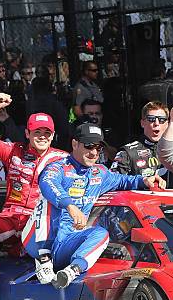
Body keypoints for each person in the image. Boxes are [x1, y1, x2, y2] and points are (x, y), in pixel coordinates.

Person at [22, 123, 165, 289]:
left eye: (98, 148)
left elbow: (123, 180)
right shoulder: (57, 167)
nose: (94, 153)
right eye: (89, 146)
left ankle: (71, 271)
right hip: (38, 239)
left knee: (101, 233)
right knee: (47, 200)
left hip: (67, 245)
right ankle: (43, 258)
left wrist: (144, 180)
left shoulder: (100, 172)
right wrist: (70, 206)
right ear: (75, 144)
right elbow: (47, 182)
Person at [0, 92, 67, 300]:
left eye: (47, 133)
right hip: (10, 216)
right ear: (27, 132)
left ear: (53, 135)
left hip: (38, 221)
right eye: (37, 132)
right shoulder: (13, 151)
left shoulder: (63, 159)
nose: (42, 136)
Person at [111, 101, 169, 177]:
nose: (156, 123)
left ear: (167, 124)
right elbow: (113, 182)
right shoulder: (127, 152)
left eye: (161, 120)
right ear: (142, 123)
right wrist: (140, 182)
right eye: (151, 119)